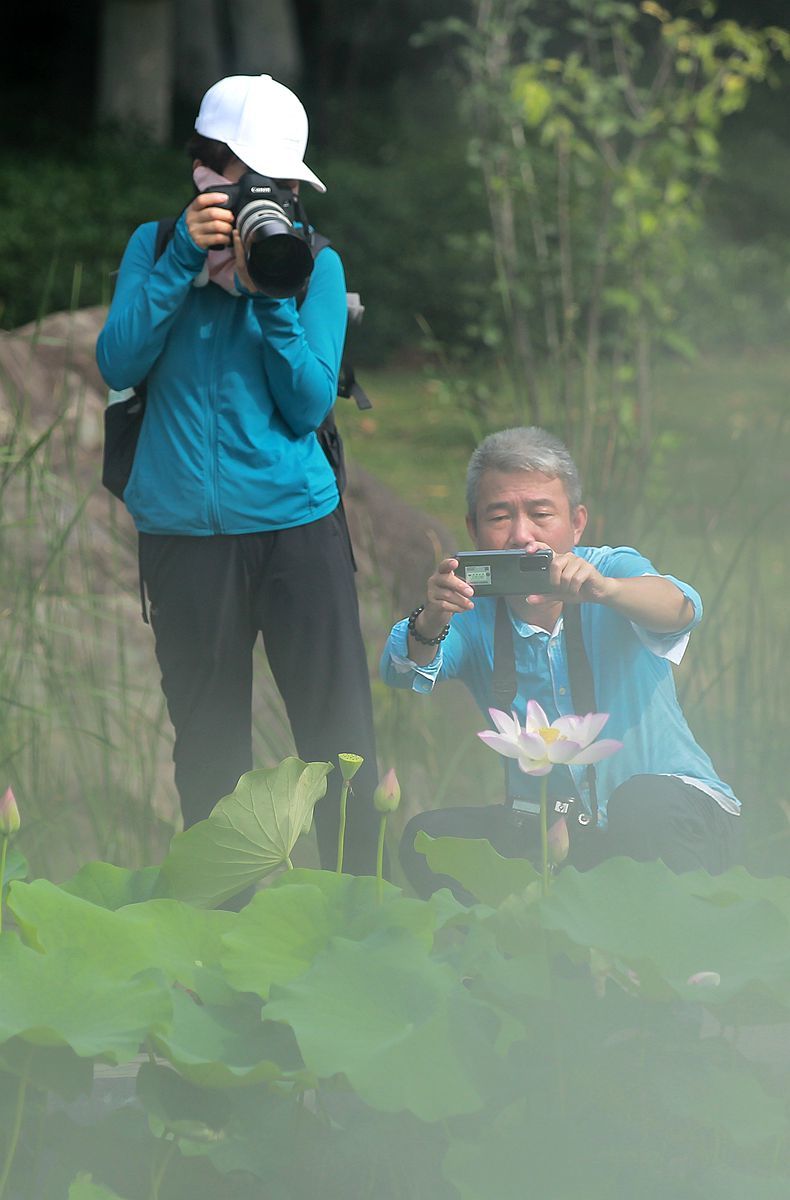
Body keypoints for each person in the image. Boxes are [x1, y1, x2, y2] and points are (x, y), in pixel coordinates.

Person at [97, 74, 379, 873]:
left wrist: (271, 295)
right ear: (204, 171)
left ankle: (362, 913)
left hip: (296, 530)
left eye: (282, 185)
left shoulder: (314, 264)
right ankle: (221, 934)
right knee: (209, 746)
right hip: (184, 535)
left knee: (338, 738)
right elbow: (116, 361)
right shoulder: (154, 250)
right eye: (246, 180)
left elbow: (303, 407)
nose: (267, 199)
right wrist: (184, 260)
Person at [380, 426, 741, 896]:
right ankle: (506, 964)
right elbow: (402, 669)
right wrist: (431, 618)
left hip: (675, 813)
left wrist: (604, 593)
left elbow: (681, 608)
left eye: (540, 513)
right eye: (499, 516)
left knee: (641, 805)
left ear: (577, 522)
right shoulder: (468, 610)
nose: (521, 535)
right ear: (473, 529)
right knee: (429, 838)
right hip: (557, 830)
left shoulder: (611, 569)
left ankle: (678, 964)